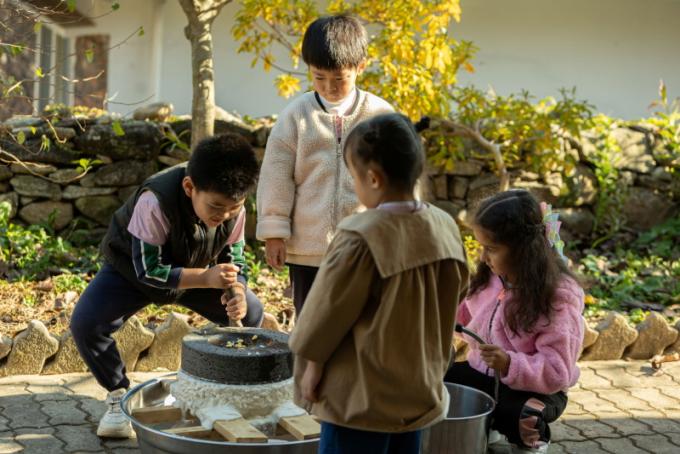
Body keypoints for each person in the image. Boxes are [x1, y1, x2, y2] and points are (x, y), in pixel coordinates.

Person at [289, 113, 469, 454]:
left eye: (354, 177)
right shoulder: (444, 226)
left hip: (361, 398)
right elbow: (458, 288)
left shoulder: (361, 236)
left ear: (372, 178)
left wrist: (312, 368)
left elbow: (326, 314)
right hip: (417, 389)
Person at [70, 133, 264, 438]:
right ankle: (118, 395)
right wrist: (205, 278)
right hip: (132, 272)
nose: (224, 215)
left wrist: (237, 290)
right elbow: (149, 270)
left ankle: (233, 392)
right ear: (189, 187)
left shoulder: (233, 207)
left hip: (199, 273)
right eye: (216, 207)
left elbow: (235, 258)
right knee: (86, 323)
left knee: (251, 313)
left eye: (233, 207)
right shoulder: (155, 200)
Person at [256, 14, 394, 315]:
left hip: (364, 246)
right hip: (308, 249)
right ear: (308, 68)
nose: (329, 87)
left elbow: (398, 178)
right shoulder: (296, 116)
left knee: (364, 318)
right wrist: (274, 232)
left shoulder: (381, 116)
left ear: (360, 67)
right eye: (319, 77)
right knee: (310, 320)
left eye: (339, 79)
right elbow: (276, 176)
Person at [444, 189, 585, 453]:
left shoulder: (557, 297)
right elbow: (466, 316)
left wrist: (510, 363)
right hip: (485, 374)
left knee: (524, 414)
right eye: (482, 247)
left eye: (491, 249)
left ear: (523, 250)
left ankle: (532, 442)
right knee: (437, 383)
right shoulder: (491, 277)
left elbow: (558, 370)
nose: (483, 257)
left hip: (536, 387)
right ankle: (487, 426)